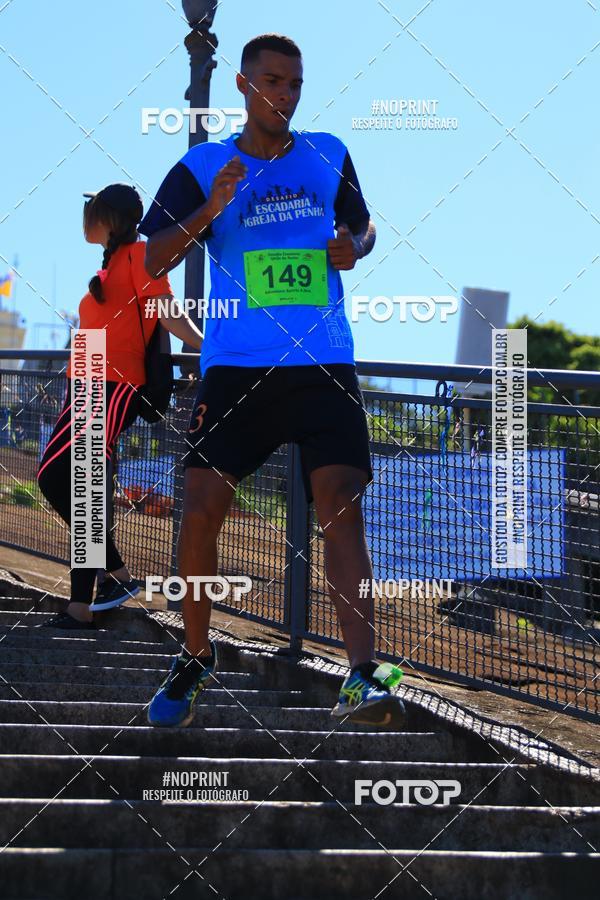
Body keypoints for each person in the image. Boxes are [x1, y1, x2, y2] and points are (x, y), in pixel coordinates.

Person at [140, 33, 405, 727]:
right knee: (200, 508)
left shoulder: (328, 153)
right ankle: (195, 655)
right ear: (242, 84)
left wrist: (356, 246)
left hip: (322, 362)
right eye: (272, 81)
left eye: (295, 83)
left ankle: (362, 674)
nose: (284, 94)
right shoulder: (202, 165)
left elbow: (364, 226)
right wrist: (209, 210)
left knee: (341, 504)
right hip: (236, 367)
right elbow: (150, 261)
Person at [37, 183, 203, 629]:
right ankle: (89, 600)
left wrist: (207, 349)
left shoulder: (140, 255)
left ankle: (112, 580)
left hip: (111, 383)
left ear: (108, 219)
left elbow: (167, 310)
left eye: (91, 210)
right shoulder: (111, 263)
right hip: (89, 379)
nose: (85, 218)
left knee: (54, 476)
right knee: (83, 487)